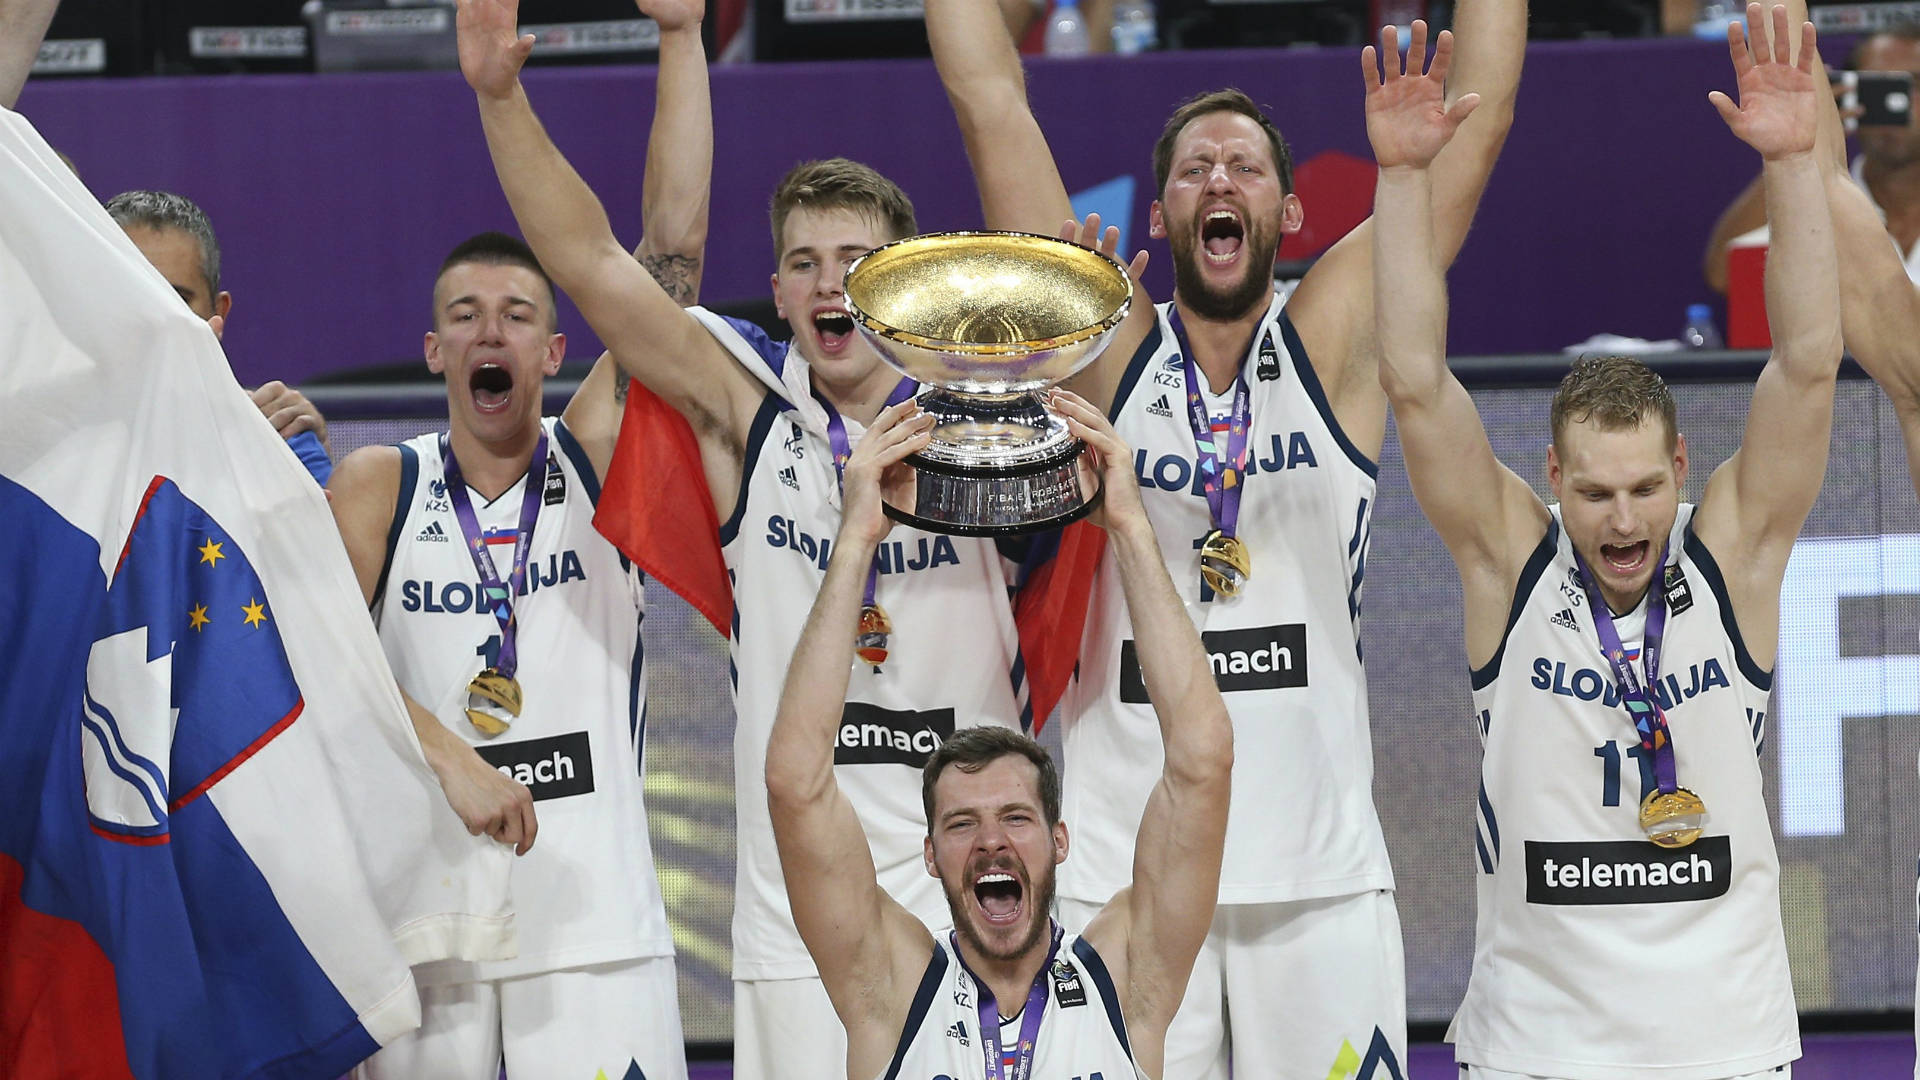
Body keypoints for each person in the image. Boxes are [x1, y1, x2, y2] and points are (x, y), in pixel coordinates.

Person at [452, 2, 1086, 1074]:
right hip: (798, 907)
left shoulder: (989, 404)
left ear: (908, 276)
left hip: (975, 894)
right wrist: (500, 98)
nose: (829, 280)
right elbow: (599, 264)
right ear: (783, 292)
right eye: (803, 261)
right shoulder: (744, 406)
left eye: (856, 257)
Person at [922, 0, 1524, 1073]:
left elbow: (1478, 124)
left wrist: (1410, 163)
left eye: (1243, 168)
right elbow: (986, 99)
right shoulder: (1107, 356)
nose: (1218, 183)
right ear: (1158, 218)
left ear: (1291, 212)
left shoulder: (1336, 342)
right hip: (1131, 881)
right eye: (1194, 169)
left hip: (1316, 880)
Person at [1372, 6, 1829, 1076]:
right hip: (1540, 1048)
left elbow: (1807, 365)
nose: (1621, 520)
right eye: (1594, 493)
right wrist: (1401, 181)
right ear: (1553, 481)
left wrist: (1796, 165)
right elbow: (1411, 379)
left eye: (1640, 490)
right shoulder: (1510, 565)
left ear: (1679, 473)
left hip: (1724, 1044)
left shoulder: (1733, 559)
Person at [326, 2, 711, 1074]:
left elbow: (668, 255)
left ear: (555, 348)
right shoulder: (377, 486)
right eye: (464, 312)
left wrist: (682, 42)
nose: (489, 328)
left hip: (594, 942)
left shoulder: (597, 462)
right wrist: (448, 756)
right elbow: (308, 660)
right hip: (425, 938)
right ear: (433, 349)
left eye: (515, 312)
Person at [765, 390, 1232, 1080]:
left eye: (1016, 817)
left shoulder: (1128, 985)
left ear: (1059, 841)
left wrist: (1130, 525)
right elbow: (795, 784)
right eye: (961, 824)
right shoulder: (889, 994)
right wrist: (857, 541)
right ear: (929, 854)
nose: (992, 841)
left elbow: (1204, 759)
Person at [104, 190, 335, 485]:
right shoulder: (39, 442)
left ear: (218, 312)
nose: (154, 319)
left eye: (176, 299)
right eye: (133, 296)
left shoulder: (281, 442)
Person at [1703, 19, 1920, 293]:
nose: (1896, 103)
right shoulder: (1816, 194)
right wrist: (1793, 153)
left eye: (1912, 84)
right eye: (1876, 87)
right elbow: (1725, 276)